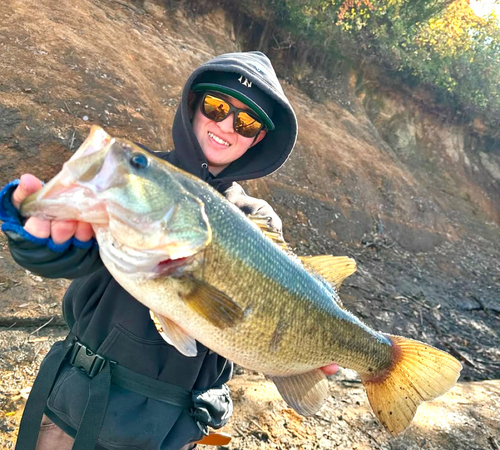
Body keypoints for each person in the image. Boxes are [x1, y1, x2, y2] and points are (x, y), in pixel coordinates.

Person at [0, 51, 338, 450]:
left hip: (171, 432)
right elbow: (70, 252)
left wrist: (307, 350)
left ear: (258, 138)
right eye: (217, 107)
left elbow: (270, 317)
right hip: (76, 409)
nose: (226, 126)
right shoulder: (137, 179)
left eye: (246, 122)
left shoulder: (256, 220)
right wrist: (34, 235)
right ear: (194, 106)